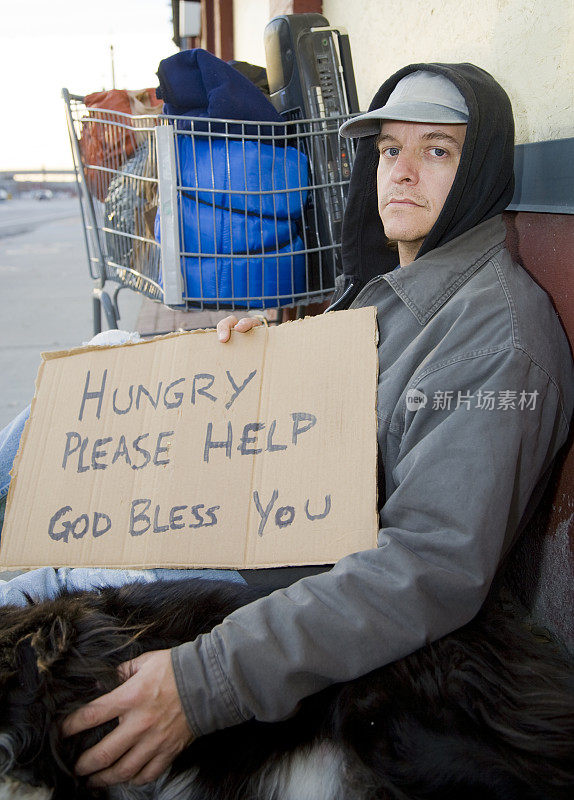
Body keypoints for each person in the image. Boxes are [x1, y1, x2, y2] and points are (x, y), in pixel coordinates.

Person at [2, 63, 573, 789]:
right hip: (242, 507)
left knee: (46, 592)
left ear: (481, 165)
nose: (401, 172)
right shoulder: (400, 284)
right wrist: (262, 364)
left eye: (437, 151)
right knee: (103, 359)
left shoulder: (501, 340)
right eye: (390, 149)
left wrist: (203, 682)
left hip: (269, 576)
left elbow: (430, 563)